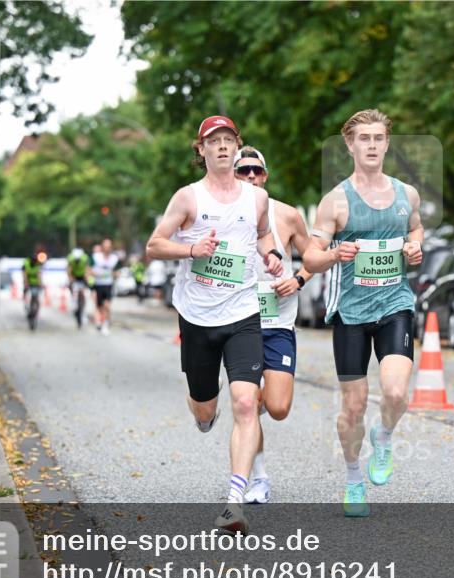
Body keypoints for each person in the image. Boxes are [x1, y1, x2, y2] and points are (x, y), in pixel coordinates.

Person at [145, 115, 282, 533]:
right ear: (201, 150)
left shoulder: (256, 200)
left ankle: (234, 501)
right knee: (206, 406)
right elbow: (154, 245)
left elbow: (261, 234)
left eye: (228, 140)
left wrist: (271, 252)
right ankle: (204, 411)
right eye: (213, 141)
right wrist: (191, 251)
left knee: (246, 403)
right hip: (198, 317)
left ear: (237, 146)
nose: (221, 147)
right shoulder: (188, 198)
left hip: (243, 312)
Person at [303, 109, 423, 517]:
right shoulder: (335, 201)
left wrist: (414, 248)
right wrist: (336, 253)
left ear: (388, 143)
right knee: (353, 407)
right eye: (363, 139)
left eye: (378, 138)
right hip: (351, 312)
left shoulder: (406, 195)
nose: (372, 145)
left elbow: (417, 230)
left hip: (395, 305)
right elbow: (310, 256)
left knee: (394, 392)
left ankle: (384, 436)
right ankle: (354, 477)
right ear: (350, 145)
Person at [233, 146, 314, 504]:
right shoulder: (221, 216)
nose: (250, 176)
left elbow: (316, 258)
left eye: (256, 171)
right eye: (243, 171)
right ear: (233, 175)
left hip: (279, 324)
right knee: (248, 404)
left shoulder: (288, 215)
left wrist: (297, 280)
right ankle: (259, 479)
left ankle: (249, 407)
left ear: (265, 176)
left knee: (278, 408)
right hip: (239, 323)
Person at [91, 239, 120, 335]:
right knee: (99, 306)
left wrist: (114, 274)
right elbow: (88, 269)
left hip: (108, 284)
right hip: (98, 284)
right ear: (102, 248)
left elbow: (117, 272)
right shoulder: (96, 257)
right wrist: (93, 273)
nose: (107, 249)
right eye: (105, 246)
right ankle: (100, 321)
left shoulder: (114, 258)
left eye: (109, 247)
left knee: (107, 305)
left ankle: (105, 324)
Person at [66, 247, 92, 328]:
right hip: (74, 277)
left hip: (82, 277)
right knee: (73, 291)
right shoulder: (71, 259)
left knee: (84, 294)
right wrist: (71, 280)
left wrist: (87, 279)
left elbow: (87, 269)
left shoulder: (84, 259)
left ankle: (83, 312)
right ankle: (74, 305)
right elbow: (69, 271)